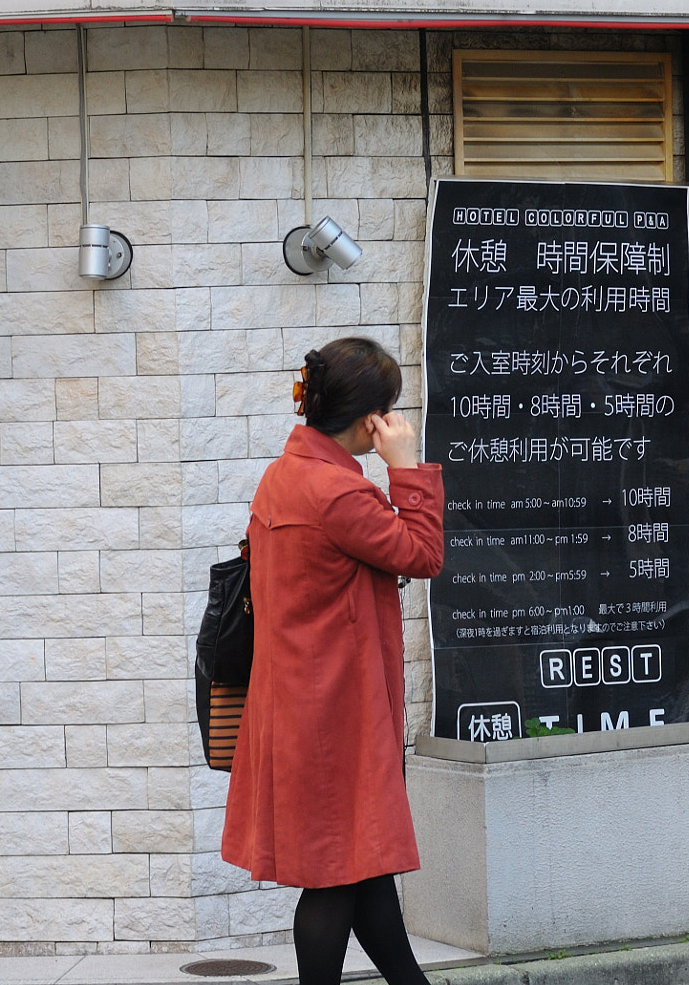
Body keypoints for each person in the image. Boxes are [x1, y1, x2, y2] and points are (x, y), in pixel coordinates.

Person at [221, 338, 444, 985]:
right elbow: (423, 554)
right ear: (370, 417)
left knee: (361, 867)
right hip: (335, 715)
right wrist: (407, 468)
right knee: (334, 875)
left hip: (304, 702)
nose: (394, 424)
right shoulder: (339, 493)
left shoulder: (287, 474)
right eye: (390, 412)